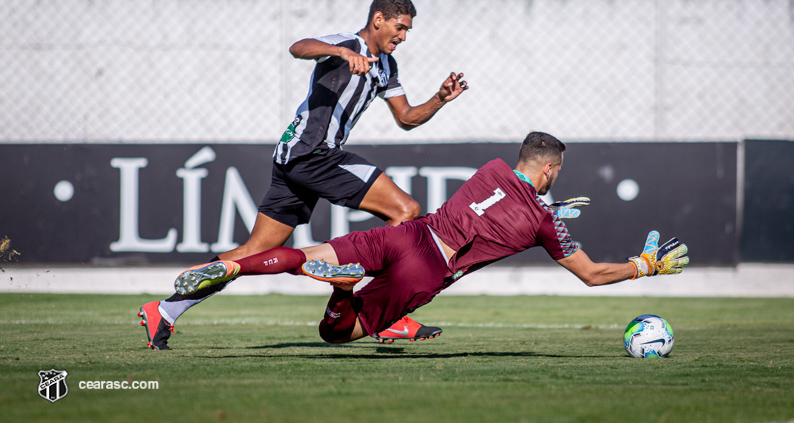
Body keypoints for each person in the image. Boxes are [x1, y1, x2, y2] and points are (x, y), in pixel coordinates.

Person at [138, 0, 469, 349]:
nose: (404, 36)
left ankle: (164, 312)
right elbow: (299, 46)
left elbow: (406, 118)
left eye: (407, 30)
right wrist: (340, 52)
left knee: (251, 254)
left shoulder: (387, 66)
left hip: (295, 159)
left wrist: (439, 99)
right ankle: (382, 315)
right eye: (400, 27)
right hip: (313, 154)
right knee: (406, 211)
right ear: (378, 20)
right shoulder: (345, 45)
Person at [171, 131, 690, 345]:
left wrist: (544, 207)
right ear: (552, 170)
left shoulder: (490, 170)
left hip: (408, 235)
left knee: (302, 254)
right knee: (336, 335)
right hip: (428, 269)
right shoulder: (543, 221)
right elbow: (592, 275)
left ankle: (236, 267)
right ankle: (344, 291)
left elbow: (510, 201)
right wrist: (644, 265)